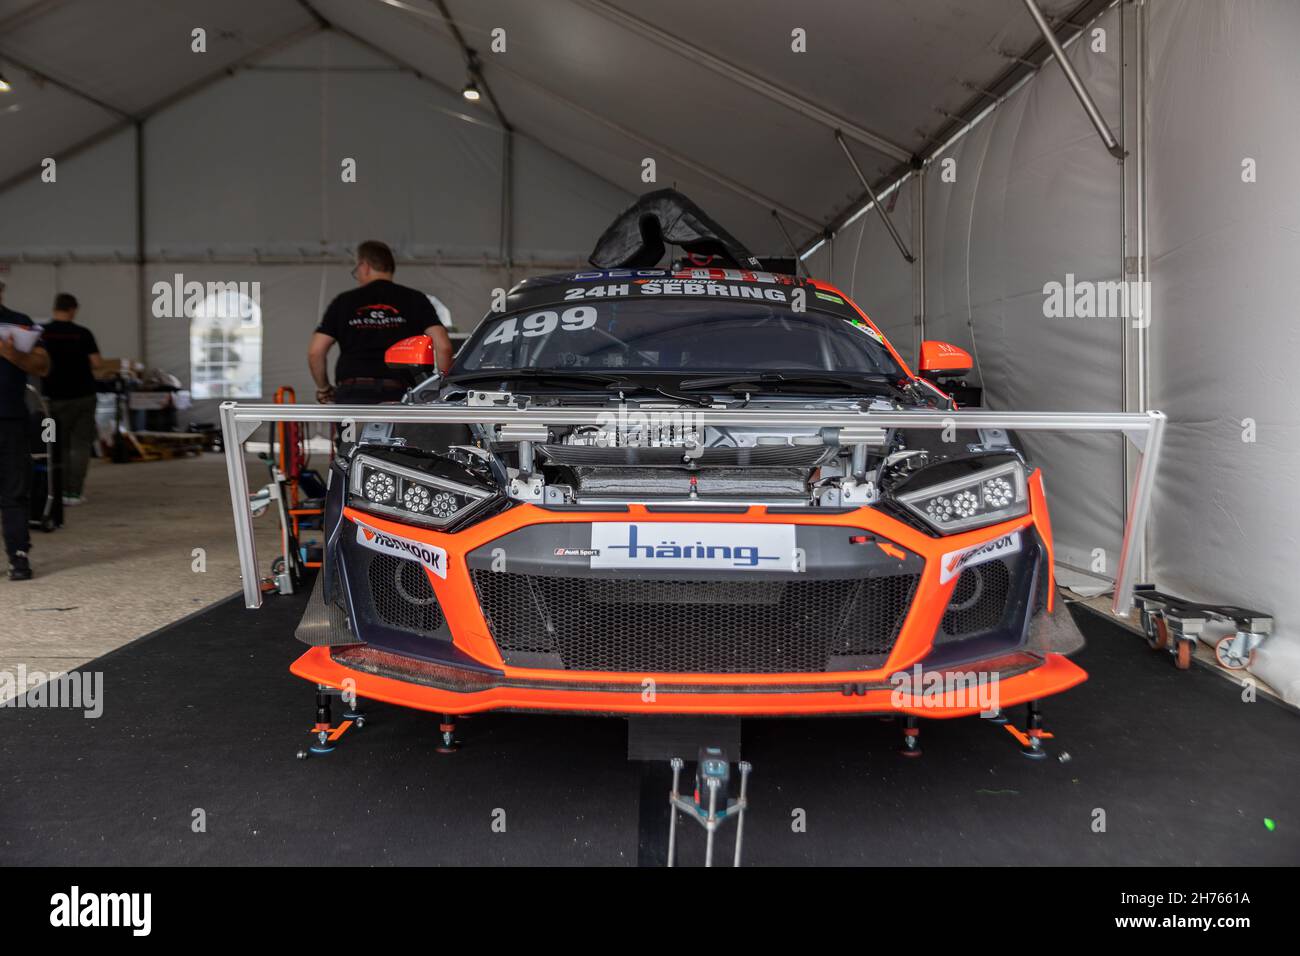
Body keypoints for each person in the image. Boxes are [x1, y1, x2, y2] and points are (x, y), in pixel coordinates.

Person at [308, 241, 453, 405]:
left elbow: (316, 351)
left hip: (354, 393)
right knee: (402, 432)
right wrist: (440, 389)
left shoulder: (343, 302)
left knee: (357, 432)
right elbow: (444, 347)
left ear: (364, 266)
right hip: (401, 393)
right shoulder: (415, 299)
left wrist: (324, 388)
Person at [0, 280, 52, 581]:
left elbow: (43, 366)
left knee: (14, 491)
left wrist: (13, 355)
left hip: (10, 420)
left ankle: (19, 557)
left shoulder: (19, 324)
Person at [39, 293, 102, 506]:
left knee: (58, 445)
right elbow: (96, 363)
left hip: (53, 398)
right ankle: (74, 493)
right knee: (81, 445)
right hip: (84, 395)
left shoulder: (43, 334)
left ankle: (58, 490)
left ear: (55, 308)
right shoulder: (83, 334)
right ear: (73, 309)